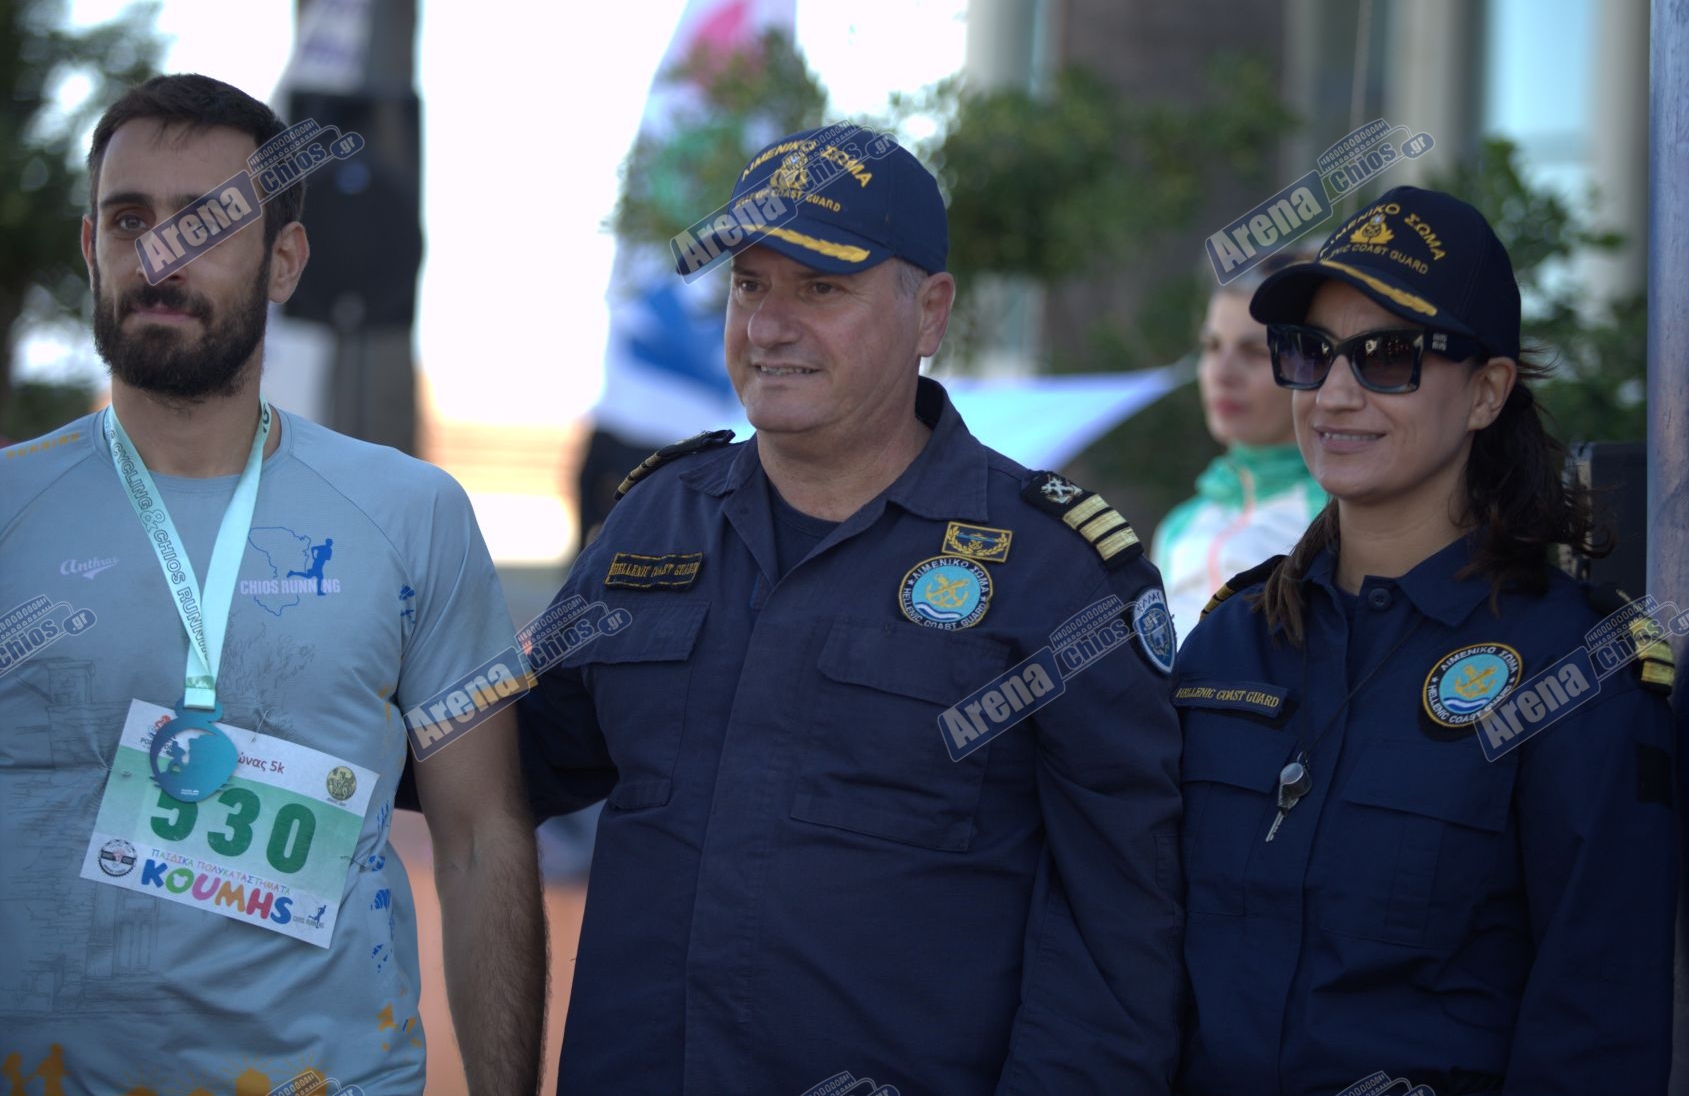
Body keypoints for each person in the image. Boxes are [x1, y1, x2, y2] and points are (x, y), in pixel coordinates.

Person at [516, 124, 1184, 1094]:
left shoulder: (1058, 574)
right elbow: (513, 760)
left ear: (929, 312)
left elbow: (1120, 932)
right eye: (750, 285)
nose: (768, 326)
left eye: (820, 288)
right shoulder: (655, 520)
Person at [0, 74, 544, 1092]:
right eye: (128, 220)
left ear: (283, 261)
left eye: (204, 223)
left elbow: (480, 839)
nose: (158, 256)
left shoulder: (412, 514)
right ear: (90, 248)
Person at [1172, 187, 1677, 1095]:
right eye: (1310, 352)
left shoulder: (1575, 667)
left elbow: (1595, 1022)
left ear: (1485, 391)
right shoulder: (1226, 646)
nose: (1334, 393)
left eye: (1388, 357)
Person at [1152, 248, 1327, 644]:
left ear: (1315, 364)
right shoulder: (1179, 525)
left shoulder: (1344, 514)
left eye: (1255, 352)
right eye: (1212, 346)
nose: (1222, 372)